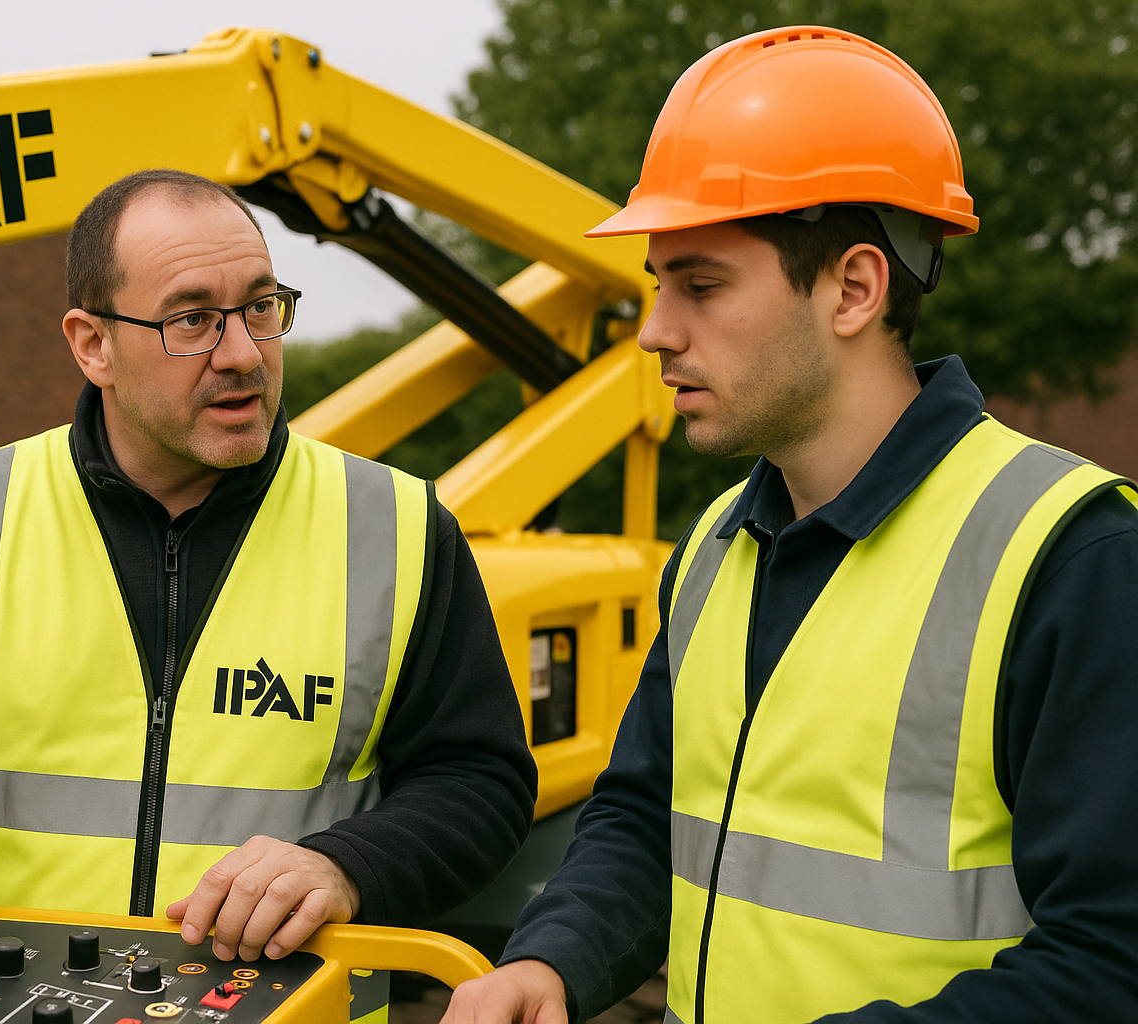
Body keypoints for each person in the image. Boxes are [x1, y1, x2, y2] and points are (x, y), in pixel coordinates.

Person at [0, 169, 537, 1022]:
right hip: (2, 1004)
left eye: (262, 307)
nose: (243, 353)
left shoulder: (397, 525)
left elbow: (480, 782)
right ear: (92, 344)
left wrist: (347, 866)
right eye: (193, 321)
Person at [442, 24, 1138, 1024]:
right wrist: (550, 962)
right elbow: (644, 818)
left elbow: (1113, 963)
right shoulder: (717, 547)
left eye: (702, 285)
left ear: (854, 288)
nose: (655, 331)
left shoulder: (1074, 557)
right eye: (659, 285)